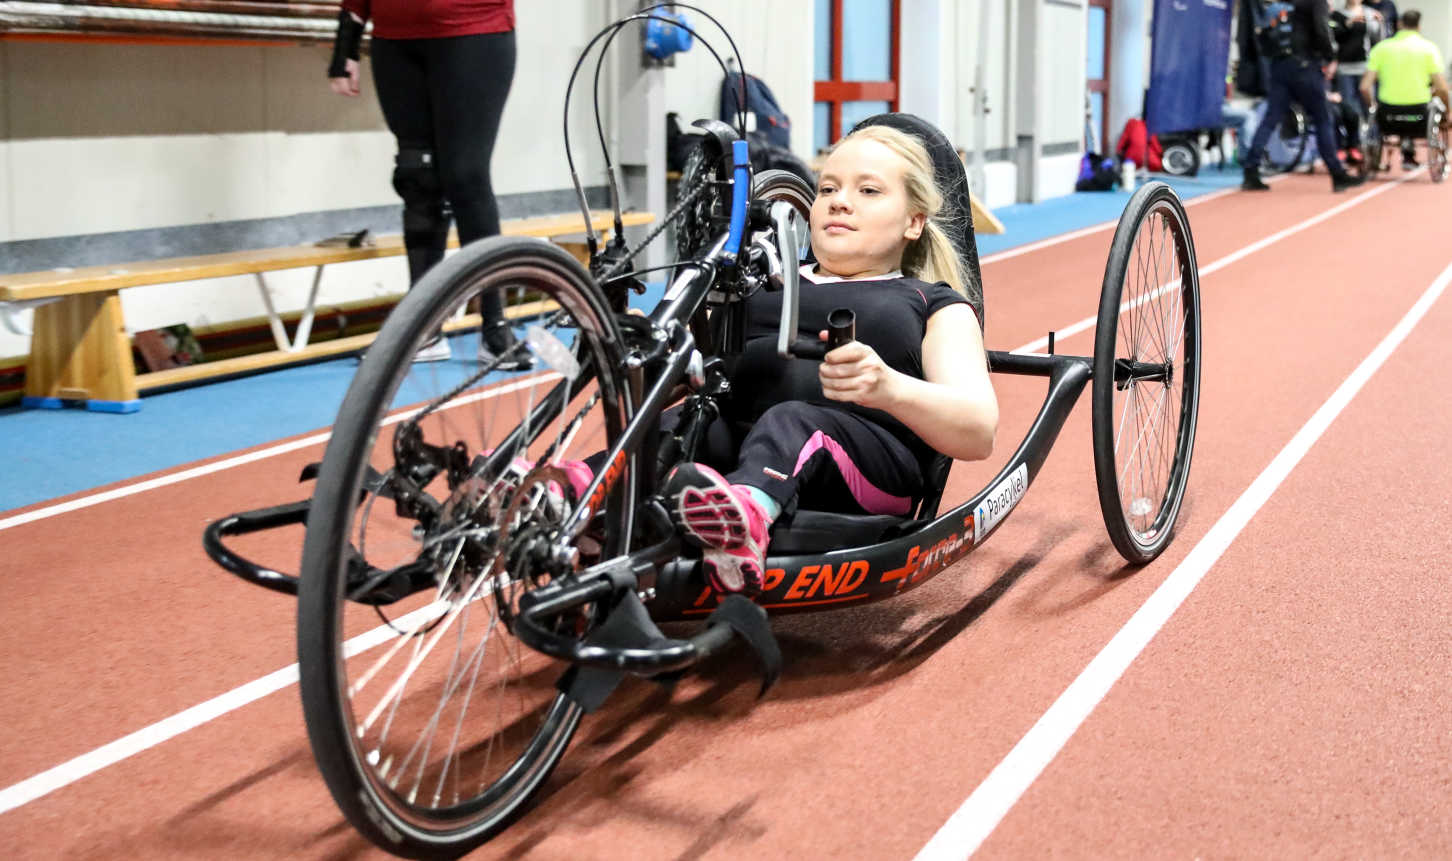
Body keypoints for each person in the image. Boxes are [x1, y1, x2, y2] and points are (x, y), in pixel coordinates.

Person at [658, 124, 1000, 594]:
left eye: (869, 190)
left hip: (866, 468)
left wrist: (889, 388)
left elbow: (979, 431)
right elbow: (695, 381)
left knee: (794, 422)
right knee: (686, 421)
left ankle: (745, 520)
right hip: (740, 446)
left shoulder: (929, 302)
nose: (840, 201)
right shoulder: (765, 285)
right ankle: (578, 493)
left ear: (913, 222)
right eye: (828, 189)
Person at [328, 0, 530, 368]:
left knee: (465, 177)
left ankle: (495, 328)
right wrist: (346, 42)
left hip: (472, 28)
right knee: (417, 178)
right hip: (395, 36)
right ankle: (424, 329)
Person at [1241, 0, 1366, 191]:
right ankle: (1337, 174)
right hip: (1307, 67)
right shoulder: (1316, 2)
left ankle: (1251, 170)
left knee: (1270, 120)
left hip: (1279, 68)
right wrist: (1330, 56)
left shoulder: (1281, 4)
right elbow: (1322, 30)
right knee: (1323, 119)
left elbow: (1263, 37)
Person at [1361, 9, 1451, 169]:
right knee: (1436, 103)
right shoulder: (1428, 49)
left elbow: (1364, 87)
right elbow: (1442, 89)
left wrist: (1372, 106)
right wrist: (1447, 113)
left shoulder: (1381, 49)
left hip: (1387, 117)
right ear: (1419, 27)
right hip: (1419, 118)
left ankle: (1399, 153)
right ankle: (1408, 153)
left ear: (1399, 25)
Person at [1330, 0, 1386, 146]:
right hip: (1344, 68)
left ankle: (1372, 141)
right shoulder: (1337, 15)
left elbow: (1379, 40)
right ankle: (1354, 143)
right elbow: (1333, 36)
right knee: (1349, 107)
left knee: (1368, 105)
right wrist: (1348, 23)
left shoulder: (1369, 14)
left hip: (1364, 66)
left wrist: (1379, 23)